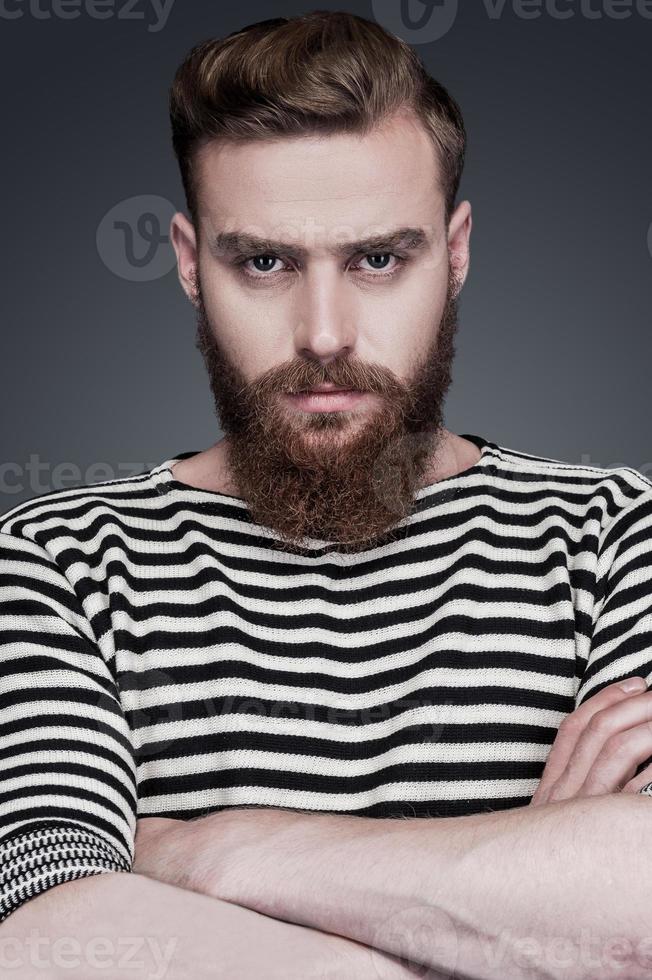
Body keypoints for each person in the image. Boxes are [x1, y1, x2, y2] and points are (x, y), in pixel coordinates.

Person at [2, 10, 652, 978]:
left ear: (456, 249)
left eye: (377, 258)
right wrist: (512, 912)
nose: (323, 332)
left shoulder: (612, 535)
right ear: (188, 263)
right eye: (263, 261)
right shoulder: (58, 564)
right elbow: (42, 938)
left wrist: (200, 850)